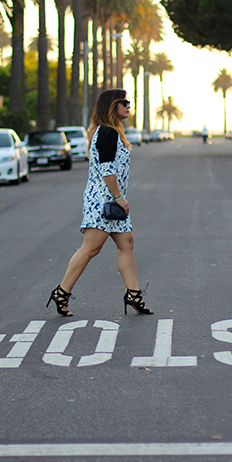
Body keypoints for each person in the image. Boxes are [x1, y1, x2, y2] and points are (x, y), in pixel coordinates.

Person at [46, 89, 153, 317]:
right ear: (111, 106)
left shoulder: (112, 131)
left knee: (127, 243)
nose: (128, 106)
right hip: (103, 200)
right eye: (124, 102)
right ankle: (62, 292)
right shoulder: (106, 132)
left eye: (129, 102)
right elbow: (106, 169)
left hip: (111, 200)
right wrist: (119, 197)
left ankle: (134, 295)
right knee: (91, 247)